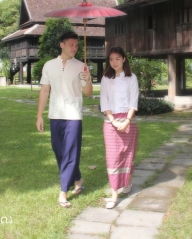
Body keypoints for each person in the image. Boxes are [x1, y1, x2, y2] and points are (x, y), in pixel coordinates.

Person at [36, 31, 93, 208]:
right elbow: (45, 91)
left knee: (70, 152)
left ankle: (63, 192)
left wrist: (88, 79)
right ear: (61, 45)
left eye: (76, 45)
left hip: (73, 115)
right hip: (55, 114)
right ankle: (77, 178)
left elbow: (88, 93)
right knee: (58, 150)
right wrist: (39, 115)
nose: (74, 48)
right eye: (71, 45)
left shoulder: (81, 67)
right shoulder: (49, 65)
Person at [99, 46, 139, 209]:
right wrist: (113, 121)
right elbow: (104, 101)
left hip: (129, 121)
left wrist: (127, 121)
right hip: (110, 122)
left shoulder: (131, 78)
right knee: (113, 157)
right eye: (111, 59)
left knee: (127, 155)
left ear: (124, 59)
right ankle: (114, 193)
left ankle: (127, 182)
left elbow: (133, 102)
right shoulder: (106, 78)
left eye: (117, 58)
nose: (114, 62)